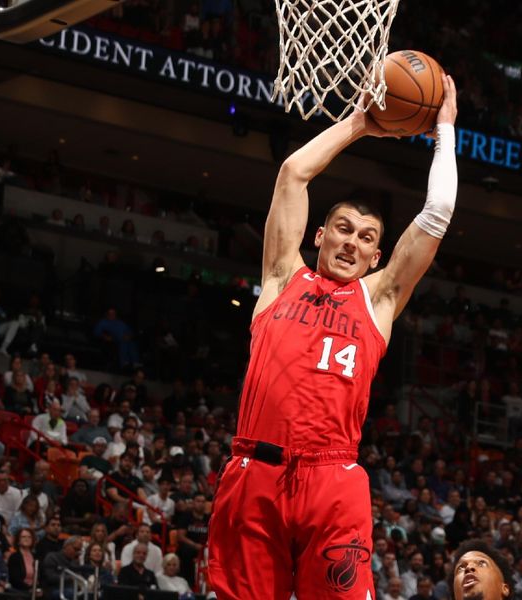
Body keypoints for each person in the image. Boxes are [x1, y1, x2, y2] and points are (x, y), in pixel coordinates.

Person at [208, 74, 458, 600]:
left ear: (376, 256)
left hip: (332, 478)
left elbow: (436, 214)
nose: (352, 242)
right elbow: (293, 174)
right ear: (319, 235)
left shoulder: (380, 299)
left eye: (367, 238)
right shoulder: (281, 276)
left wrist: (446, 134)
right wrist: (361, 125)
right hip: (255, 470)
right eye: (343, 229)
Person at [7, 527, 38, 594]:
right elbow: (14, 579)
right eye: (23, 537)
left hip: (35, 589)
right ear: (18, 540)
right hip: (20, 590)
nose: (27, 539)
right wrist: (29, 589)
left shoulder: (36, 556)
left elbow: (42, 576)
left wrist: (38, 589)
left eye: (29, 537)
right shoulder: (14, 557)